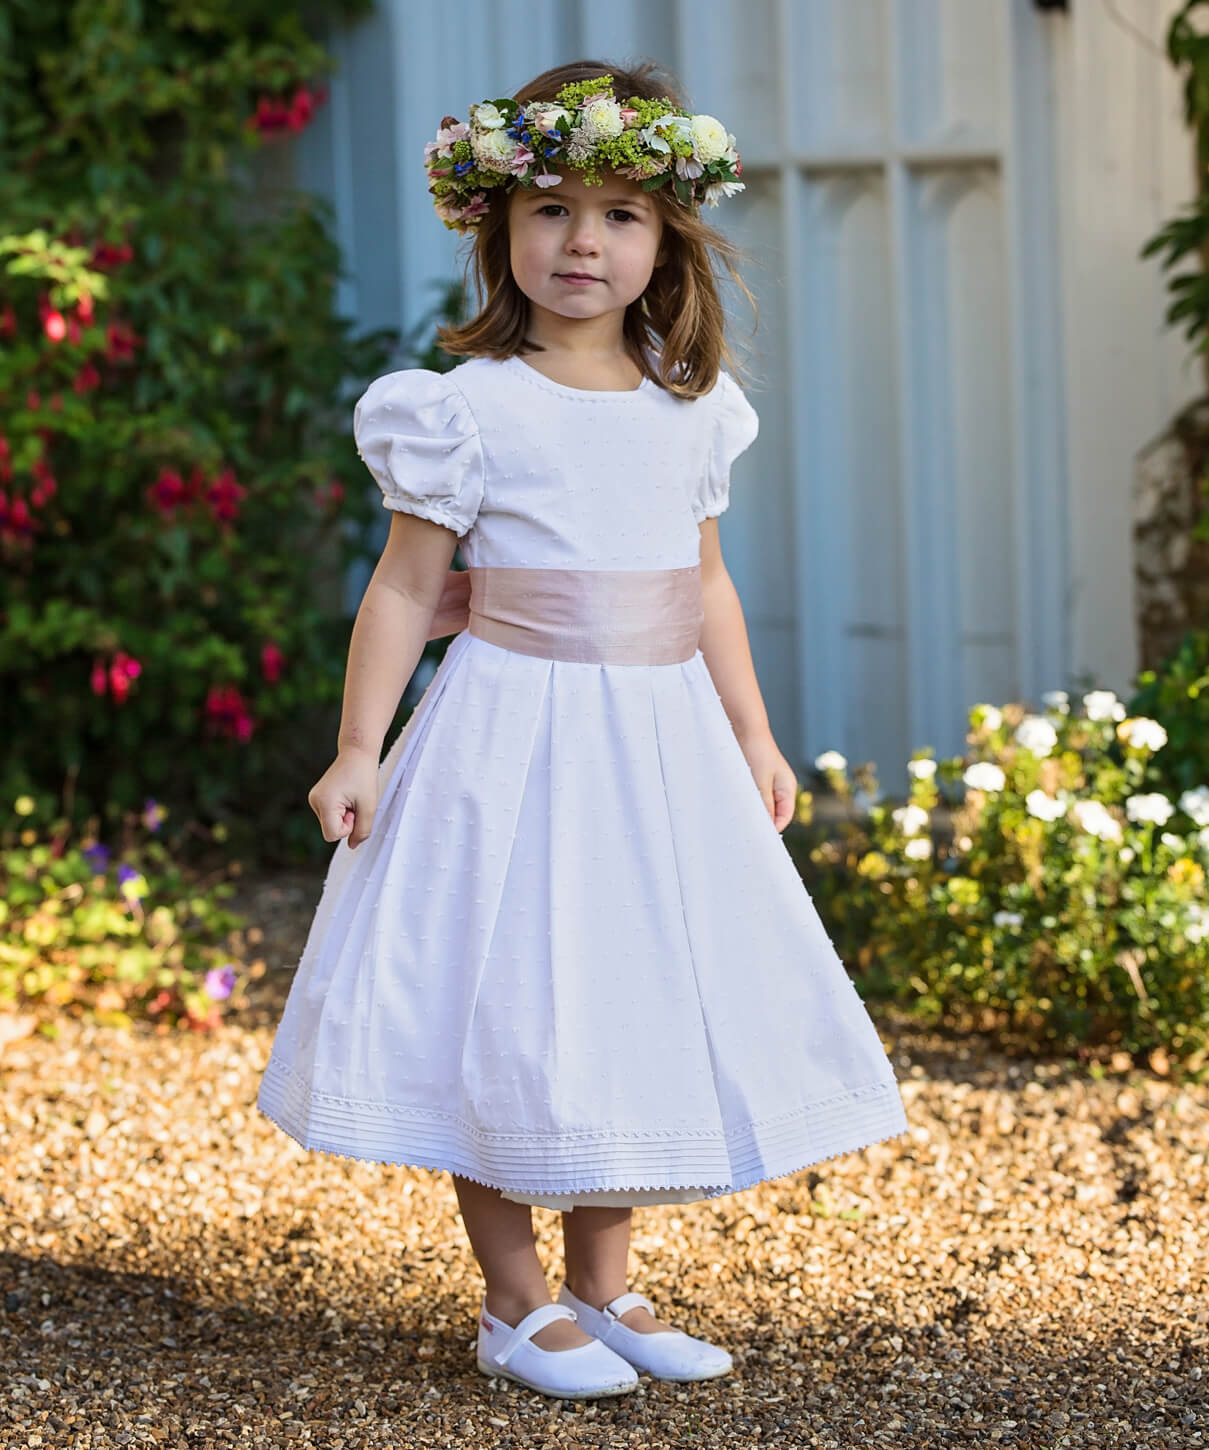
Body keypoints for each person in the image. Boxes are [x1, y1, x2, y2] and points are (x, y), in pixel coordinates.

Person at [257, 59, 910, 1401]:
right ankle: (514, 1298)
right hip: (511, 739)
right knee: (501, 999)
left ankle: (603, 1283)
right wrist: (357, 747)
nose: (582, 241)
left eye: (618, 214)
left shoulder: (689, 409)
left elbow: (703, 583)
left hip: (654, 749)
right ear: (497, 225)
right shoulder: (465, 407)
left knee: (628, 993)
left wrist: (753, 734)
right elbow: (400, 586)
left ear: (666, 235)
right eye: (551, 210)